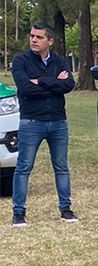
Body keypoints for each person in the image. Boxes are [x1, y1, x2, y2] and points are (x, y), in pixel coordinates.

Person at [10, 23, 77, 227]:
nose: (34, 40)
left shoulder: (60, 61)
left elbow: (69, 85)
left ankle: (66, 209)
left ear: (50, 41)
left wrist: (40, 81)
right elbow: (26, 89)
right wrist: (54, 82)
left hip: (58, 121)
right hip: (31, 121)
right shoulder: (21, 61)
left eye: (39, 37)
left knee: (61, 167)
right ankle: (19, 212)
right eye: (32, 36)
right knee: (24, 167)